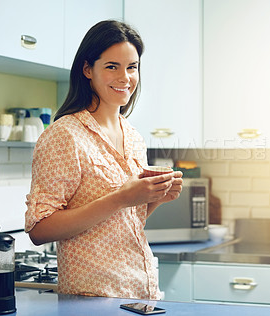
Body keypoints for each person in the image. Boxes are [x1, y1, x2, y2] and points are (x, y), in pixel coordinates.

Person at [24, 20, 183, 300]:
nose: (125, 78)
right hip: (92, 298)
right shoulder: (64, 135)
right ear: (88, 69)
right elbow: (39, 229)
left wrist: (155, 196)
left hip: (140, 292)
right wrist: (121, 197)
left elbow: (122, 221)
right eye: (112, 66)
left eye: (131, 67)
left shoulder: (133, 136)